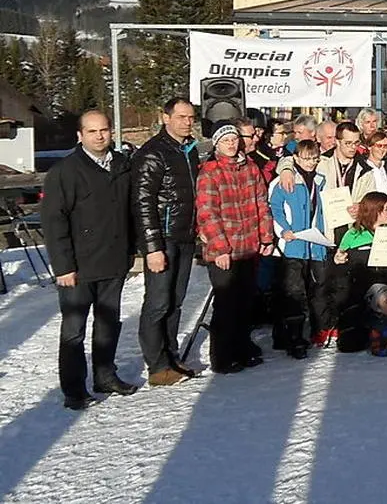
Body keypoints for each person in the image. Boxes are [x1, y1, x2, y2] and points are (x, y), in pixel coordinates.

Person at [43, 110, 138, 409]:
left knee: (109, 323)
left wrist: (131, 250)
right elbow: (53, 221)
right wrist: (63, 267)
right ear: (80, 135)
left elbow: (131, 211)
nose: (100, 136)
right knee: (74, 330)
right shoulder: (66, 172)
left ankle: (105, 375)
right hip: (78, 266)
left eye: (104, 130)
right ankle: (74, 389)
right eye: (93, 131)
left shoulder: (122, 165)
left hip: (113, 260)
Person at [195, 123, 275, 374]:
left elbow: (261, 204)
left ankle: (242, 347)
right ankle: (222, 356)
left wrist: (266, 237)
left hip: (248, 246)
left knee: (245, 301)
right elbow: (207, 213)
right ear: (216, 144)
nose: (231, 144)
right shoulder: (210, 172)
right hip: (224, 250)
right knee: (226, 304)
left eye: (234, 139)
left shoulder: (250, 168)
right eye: (225, 140)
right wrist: (220, 249)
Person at [133, 98, 201, 386]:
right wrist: (152, 247)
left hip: (185, 235)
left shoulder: (189, 150)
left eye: (191, 117)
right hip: (163, 237)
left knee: (175, 302)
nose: (187, 122)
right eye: (181, 116)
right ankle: (157, 365)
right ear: (166, 118)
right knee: (158, 302)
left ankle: (171, 355)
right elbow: (143, 202)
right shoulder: (153, 153)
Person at [268, 139, 331, 359]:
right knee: (294, 294)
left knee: (318, 289)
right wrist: (283, 230)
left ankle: (317, 331)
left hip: (316, 245)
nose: (311, 163)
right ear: (295, 158)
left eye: (314, 158)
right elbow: (274, 208)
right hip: (294, 245)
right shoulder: (285, 180)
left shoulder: (322, 180)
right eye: (306, 158)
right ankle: (293, 338)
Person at [332, 192, 387, 352]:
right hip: (362, 293)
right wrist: (339, 259)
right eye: (385, 209)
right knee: (350, 344)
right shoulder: (353, 234)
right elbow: (341, 260)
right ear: (373, 211)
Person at [352, 130, 387, 204]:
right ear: (369, 147)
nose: (382, 149)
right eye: (379, 146)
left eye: (385, 146)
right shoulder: (362, 169)